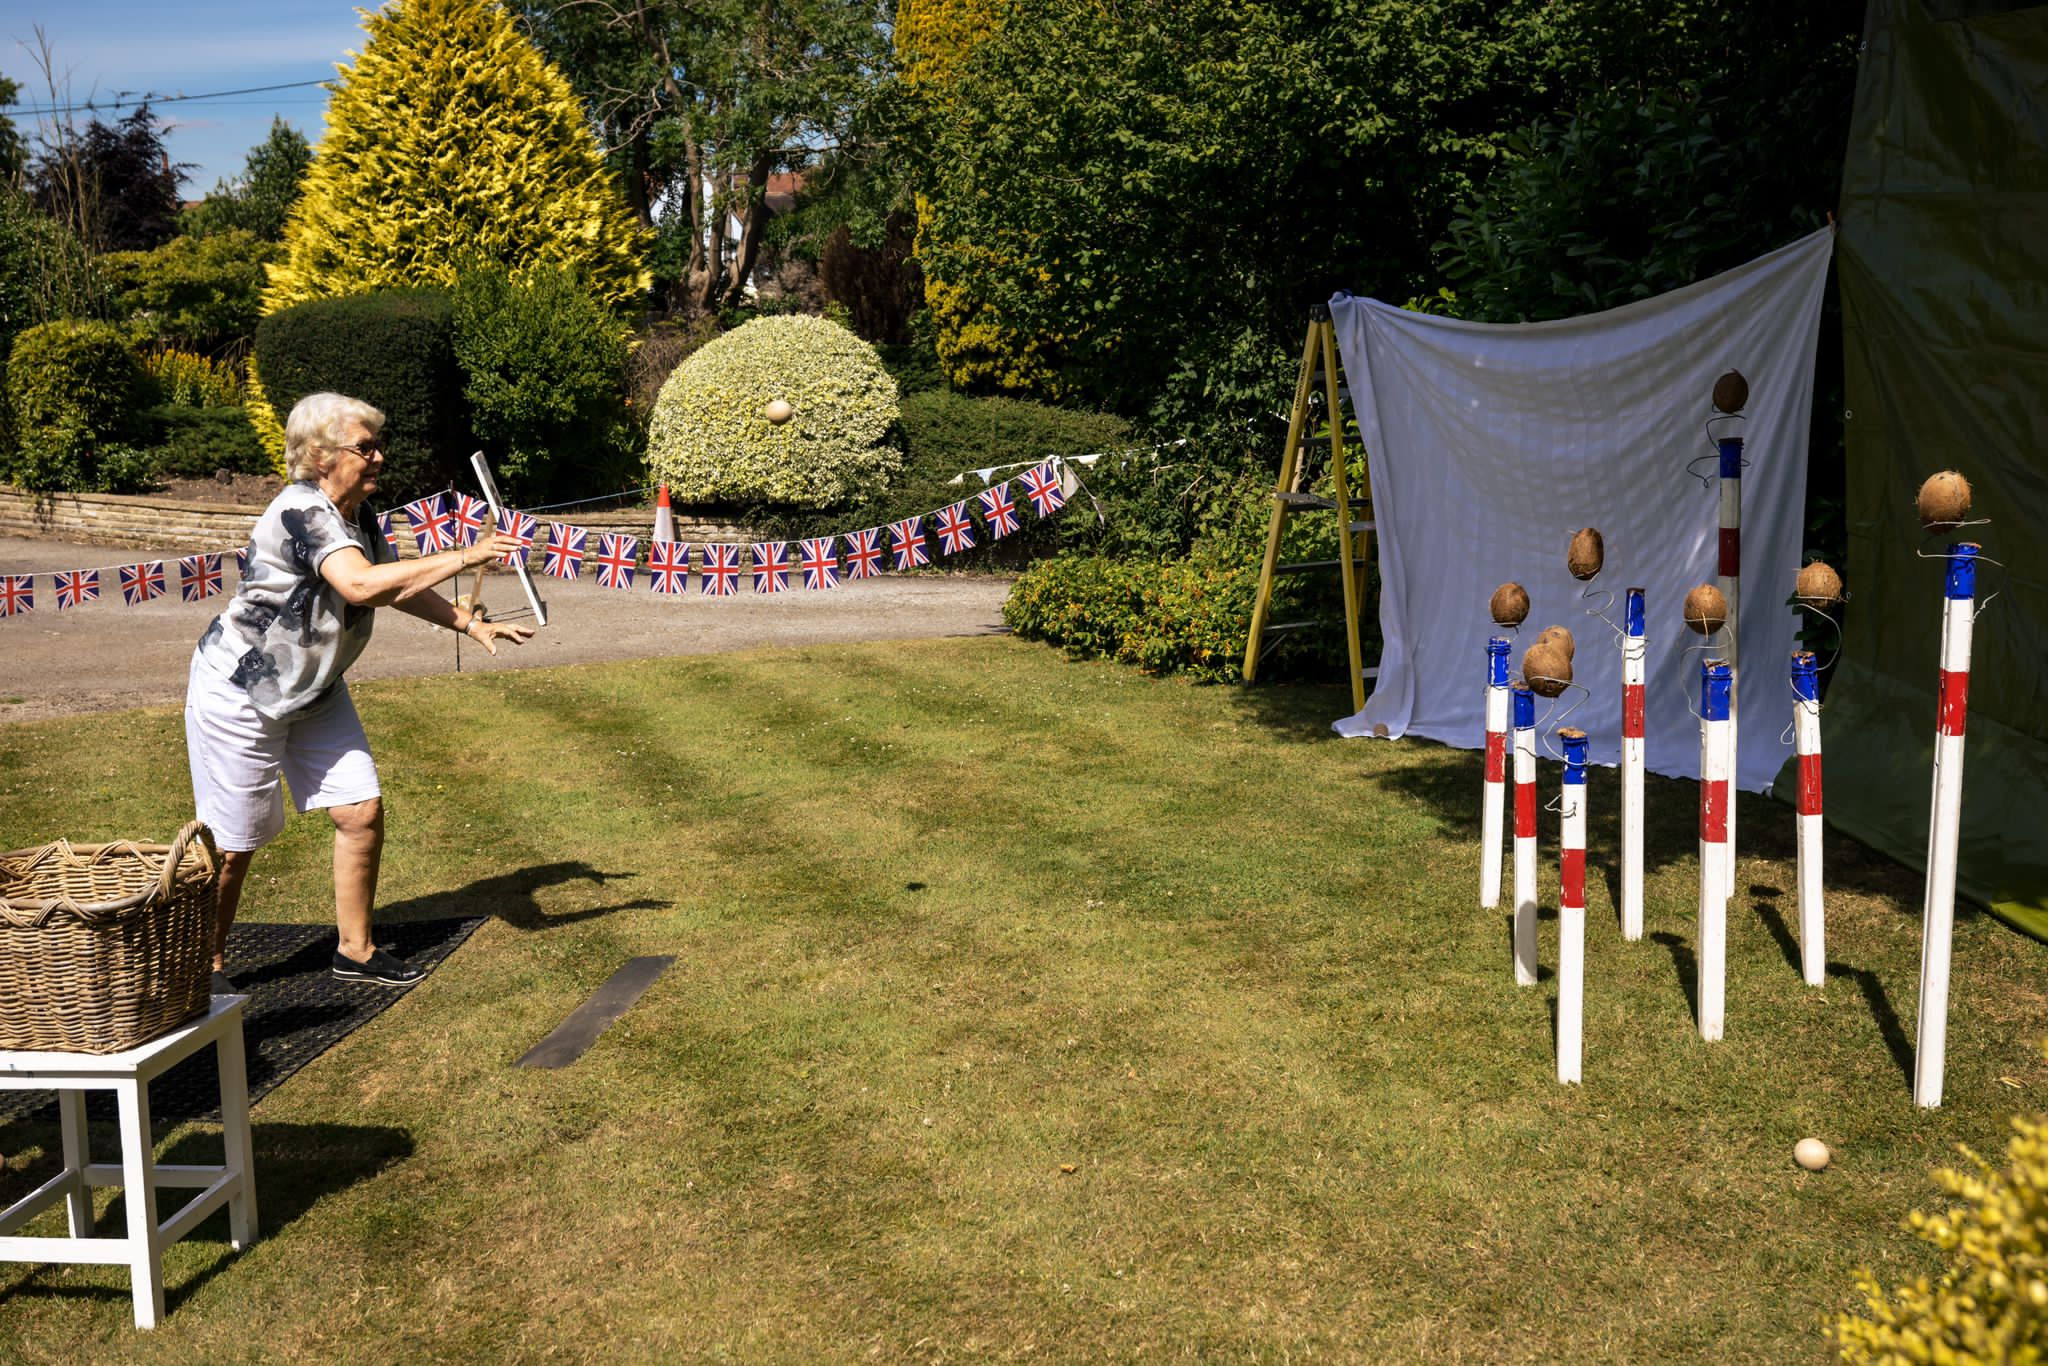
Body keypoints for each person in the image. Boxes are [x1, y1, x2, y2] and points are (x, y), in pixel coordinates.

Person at [184, 393, 532, 990]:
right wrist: (468, 554)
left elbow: (396, 587)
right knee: (233, 844)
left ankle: (356, 950)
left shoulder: (360, 515)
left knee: (360, 810)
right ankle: (203, 969)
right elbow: (361, 585)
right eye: (364, 447)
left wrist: (468, 623)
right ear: (320, 455)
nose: (378, 457)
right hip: (244, 690)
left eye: (377, 445)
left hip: (314, 687)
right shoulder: (303, 511)